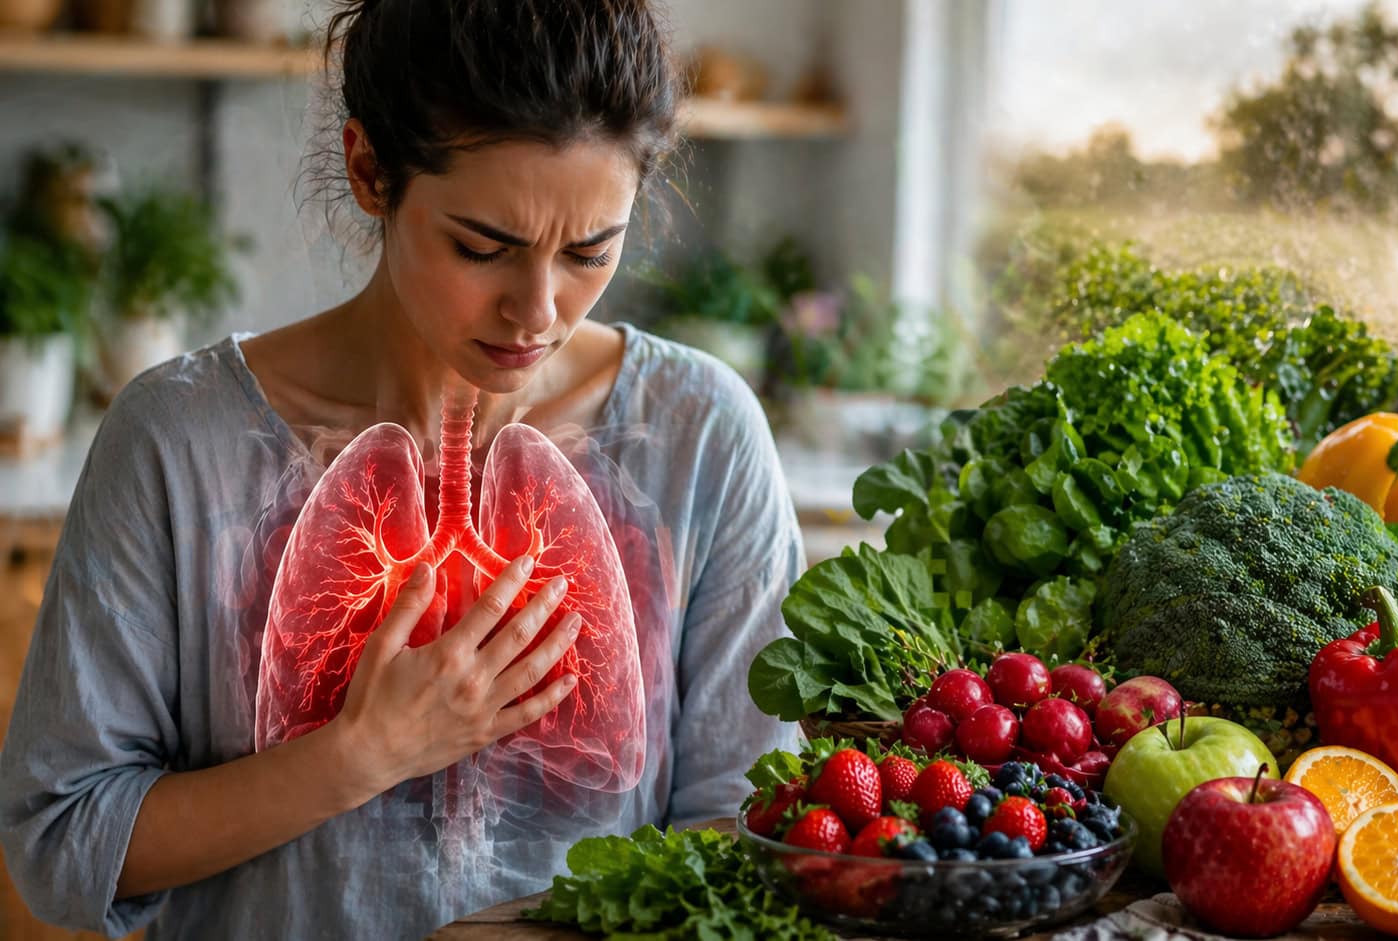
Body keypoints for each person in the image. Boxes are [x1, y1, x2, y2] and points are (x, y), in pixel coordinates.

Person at [0, 1, 806, 937]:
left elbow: (753, 843)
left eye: (590, 251)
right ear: (370, 170)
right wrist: (357, 756)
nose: (537, 311)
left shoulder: (700, 437)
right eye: (482, 247)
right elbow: (62, 845)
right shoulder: (177, 441)